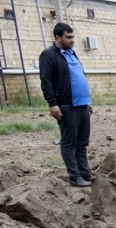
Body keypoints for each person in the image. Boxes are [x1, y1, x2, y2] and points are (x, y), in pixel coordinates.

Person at [39, 23, 93, 187]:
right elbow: (46, 80)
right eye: (68, 37)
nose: (72, 40)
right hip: (67, 106)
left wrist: (87, 101)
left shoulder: (72, 53)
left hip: (82, 105)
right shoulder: (49, 55)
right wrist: (53, 104)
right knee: (70, 143)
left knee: (82, 142)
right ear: (57, 37)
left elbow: (78, 77)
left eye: (73, 37)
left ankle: (85, 173)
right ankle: (74, 176)